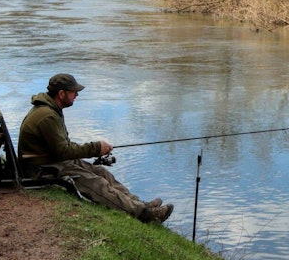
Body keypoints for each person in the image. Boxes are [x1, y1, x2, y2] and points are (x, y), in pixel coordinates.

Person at [18, 73, 173, 224]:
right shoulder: (48, 116)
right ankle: (143, 214)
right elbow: (63, 151)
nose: (77, 95)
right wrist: (97, 148)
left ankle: (139, 204)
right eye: (74, 92)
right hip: (42, 168)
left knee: (101, 172)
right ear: (61, 93)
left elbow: (62, 147)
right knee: (95, 182)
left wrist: (95, 149)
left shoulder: (50, 110)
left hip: (52, 160)